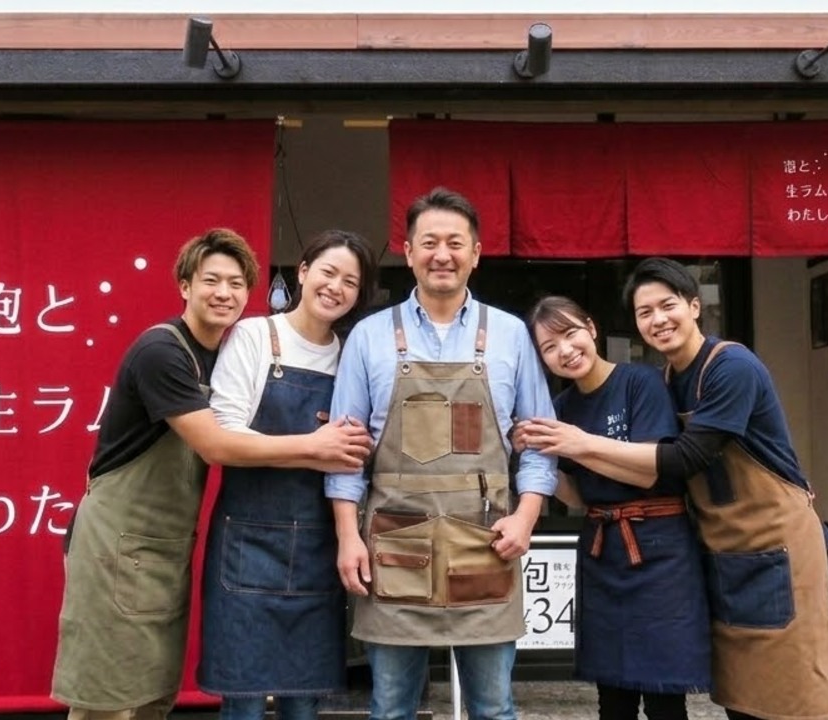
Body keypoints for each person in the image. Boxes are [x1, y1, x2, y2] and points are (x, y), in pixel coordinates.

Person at [52, 228, 374, 720]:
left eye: (235, 284)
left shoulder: (339, 353)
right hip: (122, 540)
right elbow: (218, 442)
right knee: (110, 696)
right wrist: (316, 447)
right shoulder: (168, 352)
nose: (224, 294)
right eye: (211, 281)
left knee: (151, 692)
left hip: (175, 543)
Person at [518, 258, 828, 720]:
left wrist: (580, 443)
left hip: (776, 543)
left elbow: (681, 460)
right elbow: (582, 490)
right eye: (644, 313)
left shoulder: (730, 366)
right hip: (717, 546)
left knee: (794, 692)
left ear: (695, 306)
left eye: (666, 306)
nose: (657, 320)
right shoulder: (669, 380)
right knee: (741, 692)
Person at [326, 187, 558, 720]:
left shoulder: (510, 335)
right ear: (407, 252)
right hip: (394, 545)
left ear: (476, 253)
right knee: (390, 709)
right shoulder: (368, 336)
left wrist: (525, 518)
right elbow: (345, 455)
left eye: (456, 242)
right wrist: (346, 536)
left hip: (486, 543)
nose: (442, 254)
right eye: (428, 242)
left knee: (494, 708)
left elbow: (540, 443)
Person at [198, 230, 378, 720]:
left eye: (350, 282)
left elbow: (358, 452)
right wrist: (314, 449)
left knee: (305, 701)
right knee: (245, 703)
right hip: (247, 543)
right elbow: (225, 440)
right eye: (327, 272)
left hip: (320, 544)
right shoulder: (256, 336)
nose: (335, 287)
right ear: (302, 271)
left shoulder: (353, 355)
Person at [516, 296, 710, 720]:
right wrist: (534, 453)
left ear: (591, 328)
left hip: (661, 550)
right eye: (549, 347)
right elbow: (578, 497)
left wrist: (576, 444)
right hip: (602, 549)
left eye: (570, 334)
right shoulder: (562, 410)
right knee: (612, 695)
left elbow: (648, 472)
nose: (565, 350)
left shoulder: (640, 382)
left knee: (663, 695)